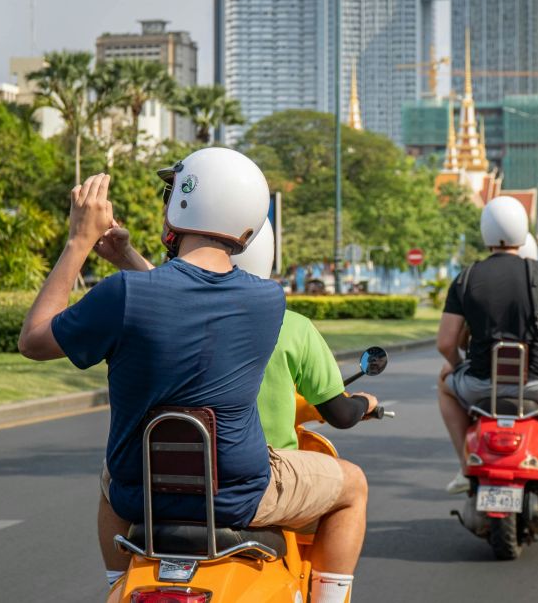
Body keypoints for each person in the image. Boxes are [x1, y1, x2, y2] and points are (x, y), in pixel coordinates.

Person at [18, 149, 366, 603]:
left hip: (137, 493)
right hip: (240, 495)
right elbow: (185, 297)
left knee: (108, 475)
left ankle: (118, 584)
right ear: (248, 227)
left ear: (181, 205)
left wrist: (78, 243)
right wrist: (128, 257)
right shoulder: (267, 301)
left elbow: (34, 341)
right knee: (352, 484)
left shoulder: (123, 295)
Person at [96, 216, 380, 449]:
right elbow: (341, 416)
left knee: (112, 483)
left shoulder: (173, 315)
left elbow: (170, 291)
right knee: (352, 488)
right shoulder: (292, 325)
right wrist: (365, 402)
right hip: (257, 472)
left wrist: (124, 255)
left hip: (169, 466)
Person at [436, 196, 538, 498]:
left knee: (444, 385)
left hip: (480, 384)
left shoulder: (467, 277)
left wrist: (457, 364)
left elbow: (446, 342)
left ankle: (464, 467)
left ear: (485, 232)